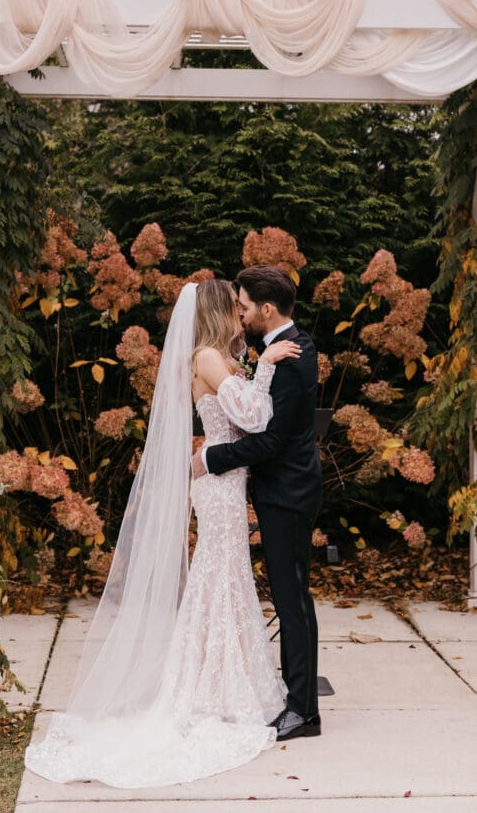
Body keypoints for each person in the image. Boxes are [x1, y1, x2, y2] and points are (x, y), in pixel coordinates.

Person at [24, 279, 300, 788]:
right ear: (220, 310)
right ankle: (210, 689)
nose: (243, 316)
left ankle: (217, 681)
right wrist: (265, 366)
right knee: (219, 578)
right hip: (218, 489)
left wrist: (256, 363)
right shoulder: (209, 360)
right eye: (236, 308)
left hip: (222, 484)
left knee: (225, 578)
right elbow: (255, 417)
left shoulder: (217, 356)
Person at [193, 265, 323, 741]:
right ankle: (293, 696)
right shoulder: (275, 350)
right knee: (287, 598)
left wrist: (210, 457)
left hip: (287, 493)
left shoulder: (289, 355)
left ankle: (304, 711)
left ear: (266, 309)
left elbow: (268, 441)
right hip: (276, 491)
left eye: (244, 306)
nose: (240, 314)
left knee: (292, 601)